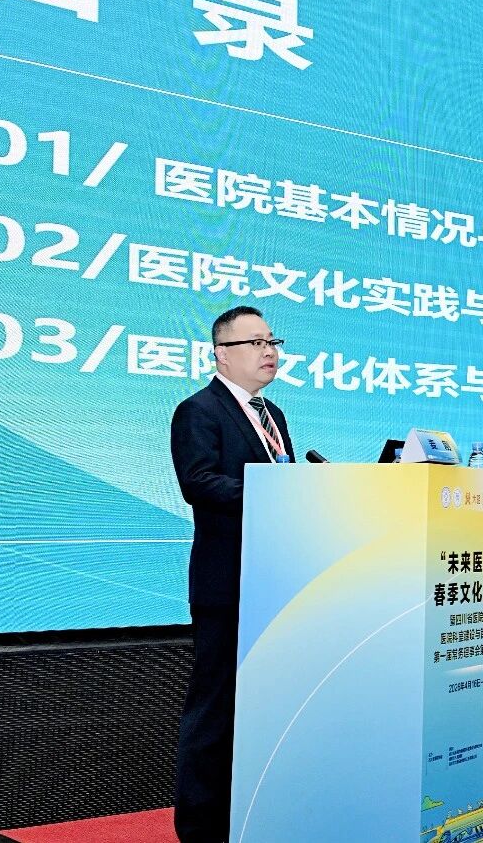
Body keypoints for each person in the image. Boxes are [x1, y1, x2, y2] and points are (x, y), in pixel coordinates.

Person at [170, 306, 295, 843]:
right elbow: (199, 482)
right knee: (216, 708)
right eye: (255, 342)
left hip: (274, 581)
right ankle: (201, 829)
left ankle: (252, 814)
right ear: (221, 354)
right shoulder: (198, 411)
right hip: (227, 584)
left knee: (265, 707)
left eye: (273, 341)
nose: (270, 352)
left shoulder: (273, 414)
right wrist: (276, 493)